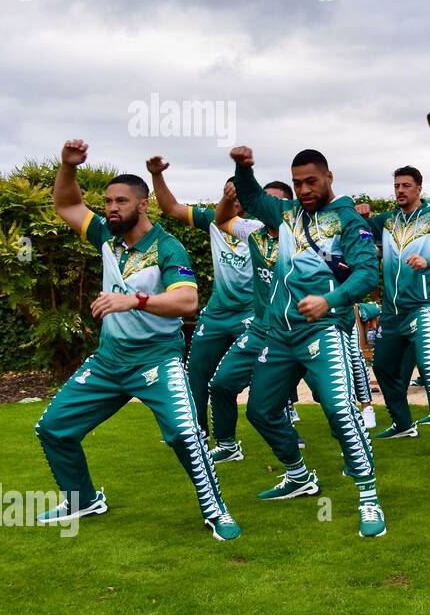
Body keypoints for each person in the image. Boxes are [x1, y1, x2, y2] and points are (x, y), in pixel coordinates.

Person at [34, 140, 240, 539]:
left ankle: (215, 511)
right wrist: (67, 166)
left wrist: (136, 300)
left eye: (121, 202)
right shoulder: (105, 237)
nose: (111, 208)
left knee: (186, 434)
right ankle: (82, 500)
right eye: (108, 201)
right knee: (53, 428)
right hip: (108, 362)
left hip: (156, 362)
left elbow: (187, 299)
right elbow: (67, 205)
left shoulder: (167, 245)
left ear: (142, 205)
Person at [229, 146, 386, 538]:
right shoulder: (286, 215)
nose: (303, 189)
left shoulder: (349, 220)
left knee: (339, 409)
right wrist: (243, 168)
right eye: (297, 183)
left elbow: (368, 274)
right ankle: (298, 475)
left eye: (311, 181)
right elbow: (249, 198)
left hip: (323, 330)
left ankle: (368, 497)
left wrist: (330, 300)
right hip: (279, 335)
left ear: (329, 177)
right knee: (260, 411)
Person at [145, 158, 256, 442]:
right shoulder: (212, 220)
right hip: (217, 314)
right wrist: (156, 175)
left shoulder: (261, 226)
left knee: (257, 373)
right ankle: (197, 435)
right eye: (227, 192)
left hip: (252, 313)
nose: (233, 197)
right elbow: (170, 208)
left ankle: (278, 426)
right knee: (195, 375)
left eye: (237, 192)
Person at [358, 167, 430, 454]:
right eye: (396, 186)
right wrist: (362, 216)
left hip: (424, 308)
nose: (400, 190)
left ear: (419, 188)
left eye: (406, 185)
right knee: (381, 366)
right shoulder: (387, 219)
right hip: (392, 312)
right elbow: (357, 232)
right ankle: (403, 424)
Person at [204, 179, 303, 463]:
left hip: (301, 330)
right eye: (260, 199)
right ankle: (227, 445)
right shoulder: (252, 231)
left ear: (285, 207)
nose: (262, 205)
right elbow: (221, 218)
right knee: (221, 383)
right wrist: (228, 194)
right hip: (261, 329)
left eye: (271, 201)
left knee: (332, 403)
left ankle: (355, 458)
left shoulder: (300, 237)